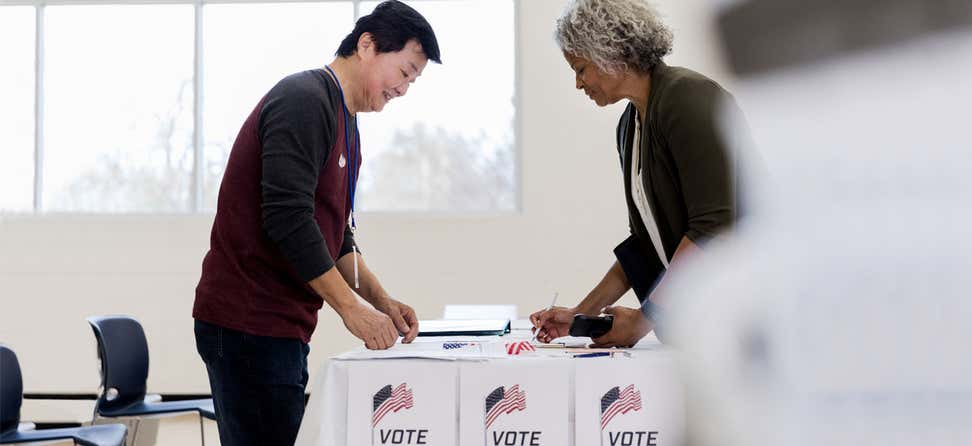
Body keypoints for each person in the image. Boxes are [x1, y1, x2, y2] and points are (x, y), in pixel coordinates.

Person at [191, 2, 440, 444]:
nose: (404, 89)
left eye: (413, 81)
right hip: (248, 323)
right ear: (367, 46)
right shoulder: (304, 99)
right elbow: (288, 219)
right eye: (403, 72)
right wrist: (352, 310)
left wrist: (381, 301)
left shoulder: (348, 123)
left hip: (282, 326)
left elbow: (337, 234)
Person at [531, 0, 746, 348]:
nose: (578, 83)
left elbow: (714, 227)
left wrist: (645, 320)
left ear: (613, 53)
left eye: (581, 68)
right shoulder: (628, 127)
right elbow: (644, 245)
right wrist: (581, 313)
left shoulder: (688, 98)